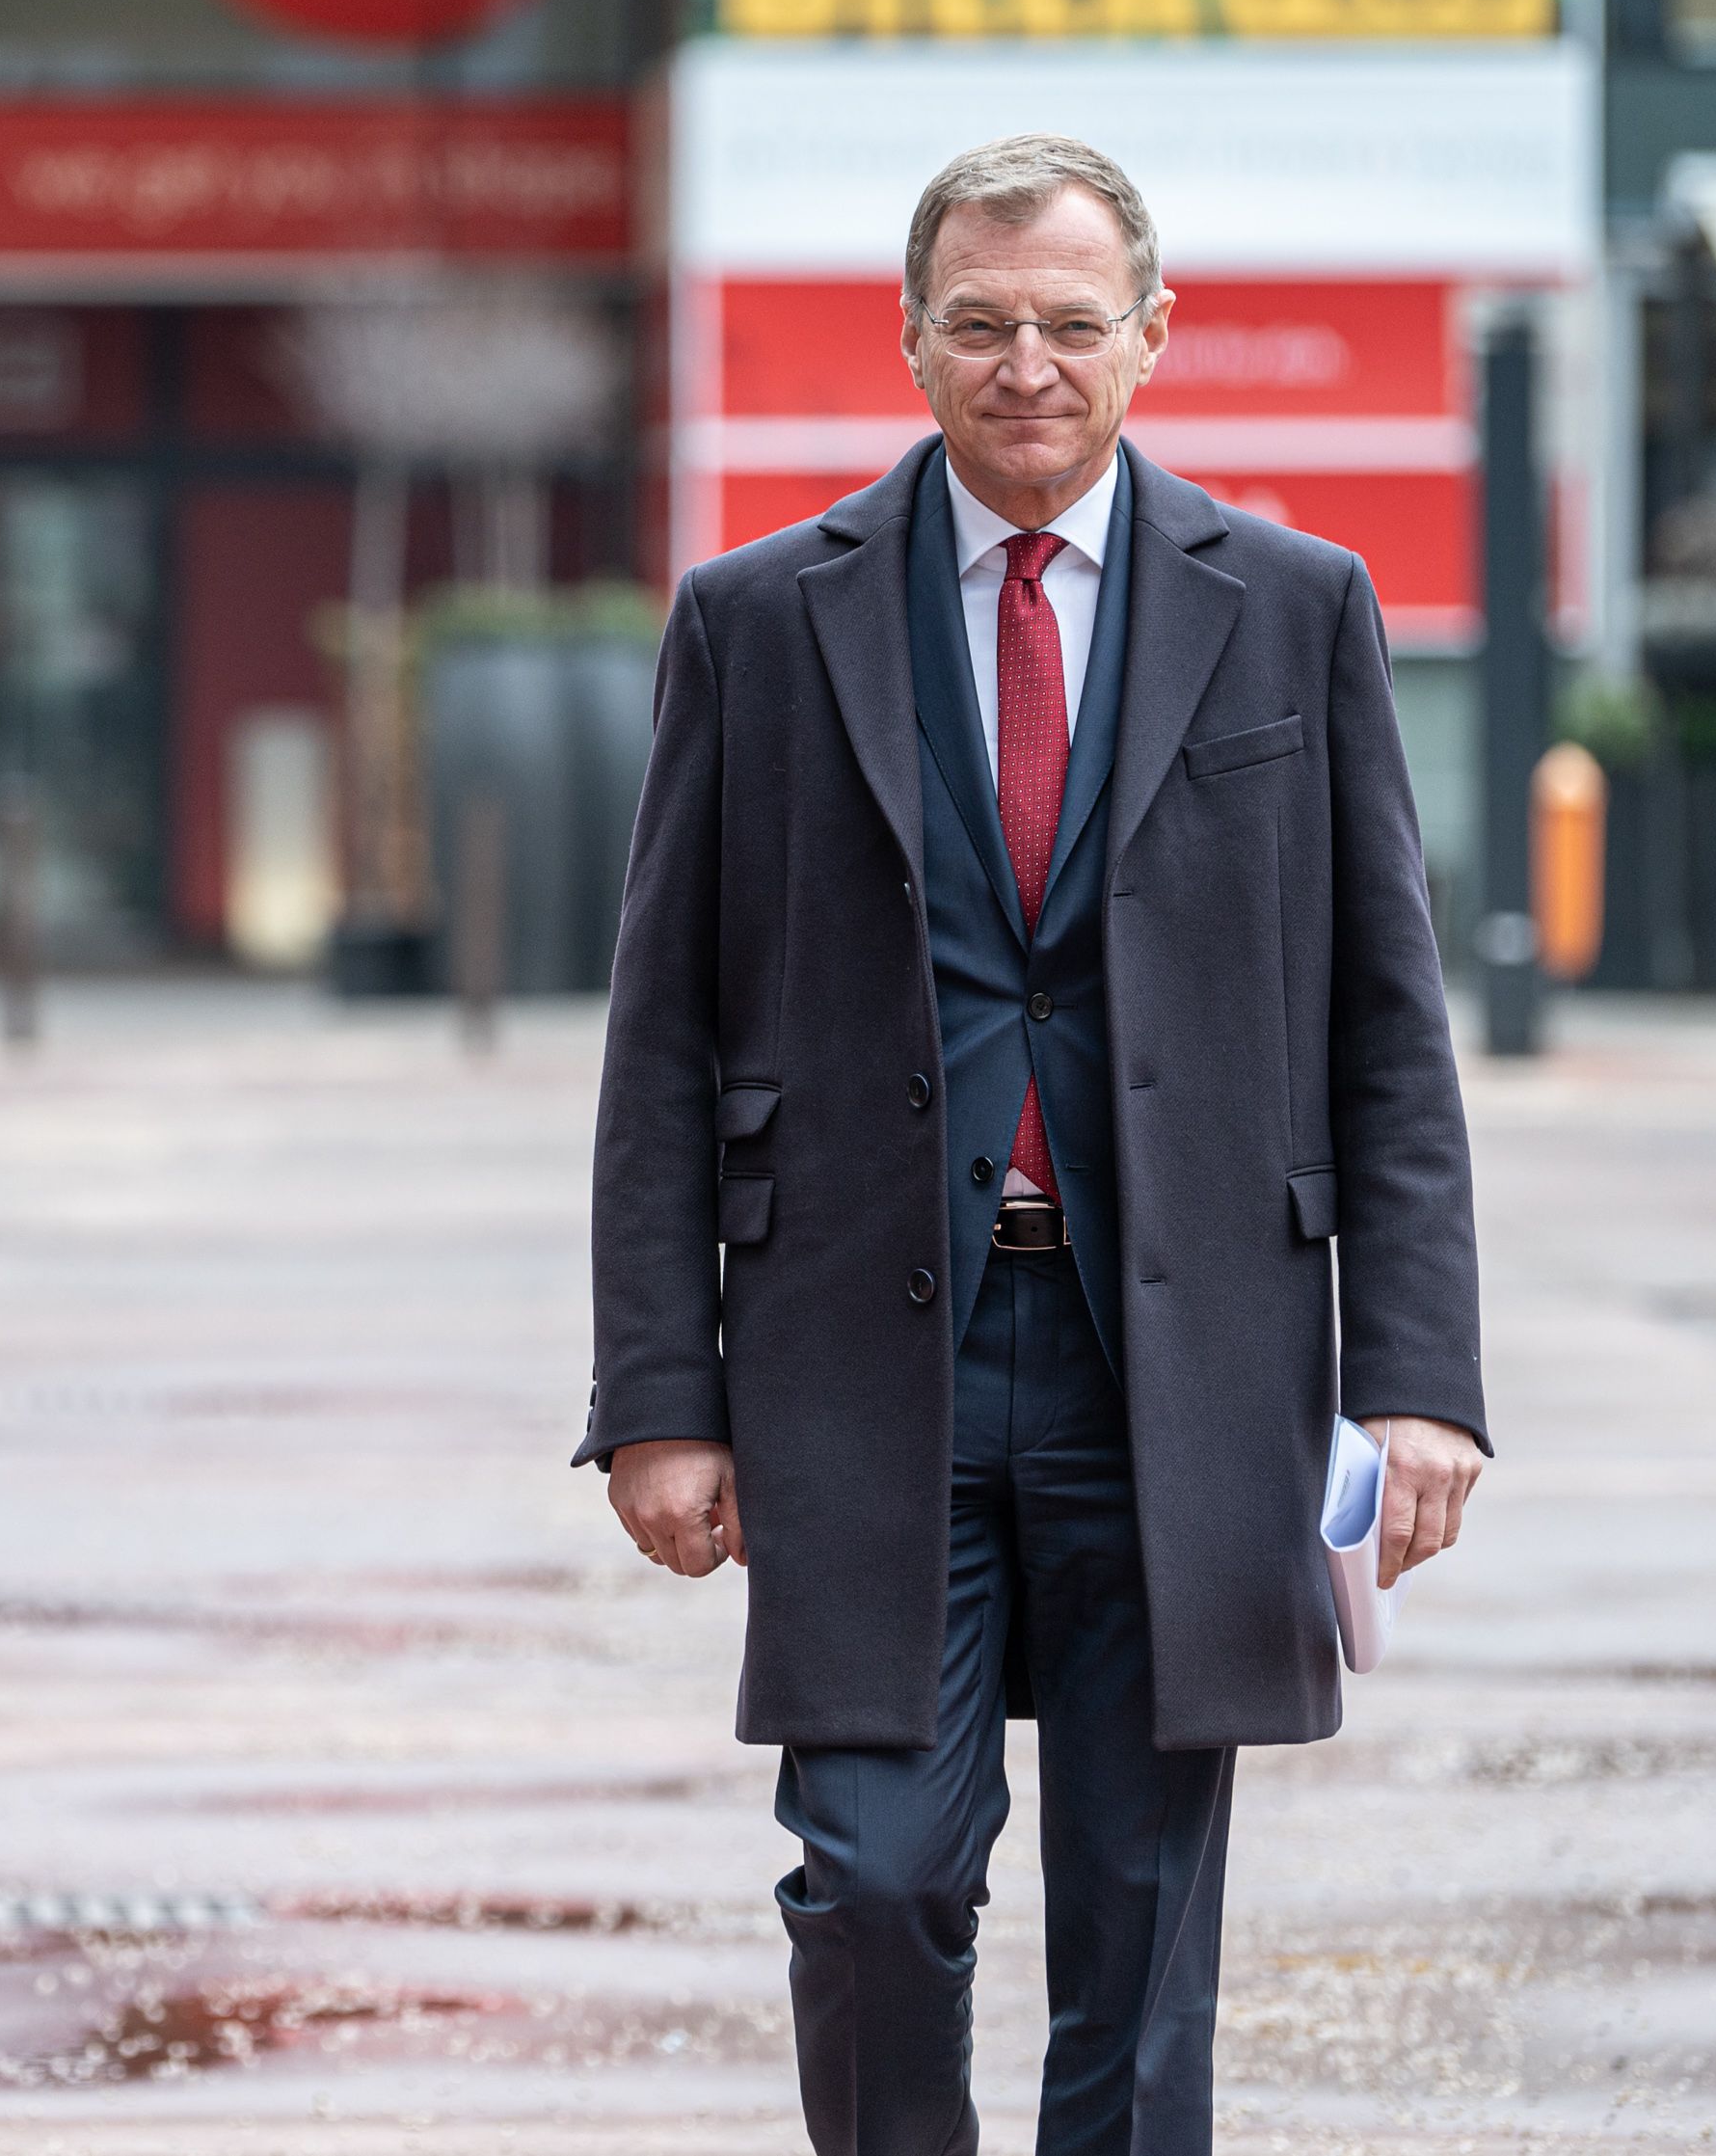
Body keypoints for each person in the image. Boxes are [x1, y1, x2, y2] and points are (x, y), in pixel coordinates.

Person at [577, 135, 1488, 2154]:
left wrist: (1419, 1380)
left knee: (1143, 1942)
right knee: (876, 1883)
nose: (1026, 364)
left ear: (1150, 341)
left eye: (1072, 325)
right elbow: (659, 1044)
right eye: (979, 324)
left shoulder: (1295, 613)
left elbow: (1383, 1028)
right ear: (910, 339)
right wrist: (657, 1395)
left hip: (1184, 1362)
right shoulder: (755, 620)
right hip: (853, 1360)